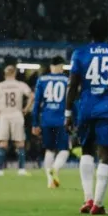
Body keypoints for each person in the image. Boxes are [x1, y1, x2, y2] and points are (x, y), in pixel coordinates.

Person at [66, 17, 108, 215]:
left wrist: (68, 113)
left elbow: (73, 85)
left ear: (90, 34)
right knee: (106, 154)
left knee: (86, 150)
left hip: (85, 107)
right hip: (107, 107)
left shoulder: (80, 53)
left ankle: (88, 198)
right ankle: (98, 204)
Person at [0, 65, 34, 177]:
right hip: (17, 114)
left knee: (3, 143)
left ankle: (0, 170)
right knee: (20, 143)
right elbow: (31, 96)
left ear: (5, 74)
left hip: (4, 115)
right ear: (15, 73)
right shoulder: (21, 85)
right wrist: (26, 108)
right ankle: (21, 170)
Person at [30, 57, 71, 188]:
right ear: (60, 66)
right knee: (64, 150)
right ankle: (56, 168)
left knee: (49, 150)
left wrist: (35, 123)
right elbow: (72, 101)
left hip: (46, 120)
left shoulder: (42, 80)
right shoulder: (66, 80)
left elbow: (36, 104)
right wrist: (73, 118)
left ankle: (50, 181)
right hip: (61, 119)